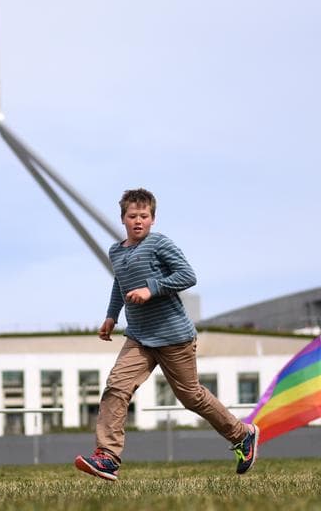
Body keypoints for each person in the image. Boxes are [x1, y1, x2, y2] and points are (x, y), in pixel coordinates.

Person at [74, 188, 258, 482]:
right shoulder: (116, 251)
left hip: (174, 336)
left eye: (144, 216)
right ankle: (107, 457)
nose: (138, 221)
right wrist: (111, 316)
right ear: (122, 218)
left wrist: (151, 289)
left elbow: (187, 275)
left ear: (153, 219)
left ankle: (242, 435)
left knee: (192, 396)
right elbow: (118, 284)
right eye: (132, 216)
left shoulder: (159, 243)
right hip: (139, 338)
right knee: (116, 388)